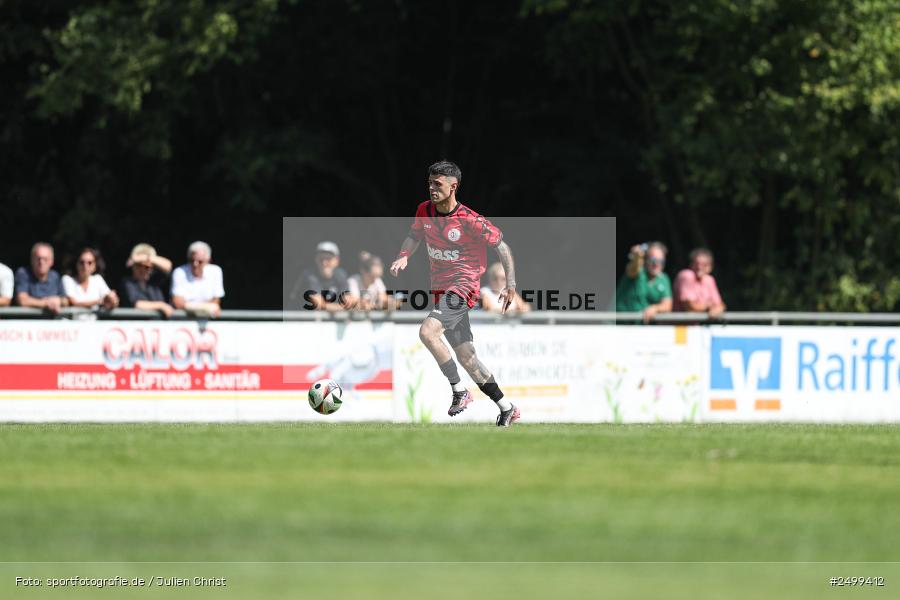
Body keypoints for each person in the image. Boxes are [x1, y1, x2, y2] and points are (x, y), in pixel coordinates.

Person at [390, 160, 521, 427]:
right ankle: (507, 407)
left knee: (427, 332)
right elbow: (414, 236)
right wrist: (403, 256)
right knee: (468, 357)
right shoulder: (424, 211)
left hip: (463, 287)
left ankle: (459, 391)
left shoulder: (470, 220)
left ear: (453, 187)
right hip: (441, 290)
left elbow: (502, 247)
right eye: (429, 183)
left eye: (437, 184)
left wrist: (511, 284)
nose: (431, 188)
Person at [615, 242, 672, 323]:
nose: (656, 264)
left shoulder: (663, 279)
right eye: (653, 260)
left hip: (644, 329)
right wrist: (637, 257)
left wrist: (655, 308)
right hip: (620, 326)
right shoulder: (638, 272)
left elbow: (667, 305)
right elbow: (634, 268)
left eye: (661, 261)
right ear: (645, 260)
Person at [292, 241, 353, 311]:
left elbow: (348, 301)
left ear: (337, 261)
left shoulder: (341, 274)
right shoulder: (309, 275)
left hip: (325, 319)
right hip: (298, 319)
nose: (324, 263)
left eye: (328, 259)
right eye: (321, 259)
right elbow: (319, 305)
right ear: (316, 260)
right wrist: (342, 308)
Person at [171, 241, 225, 317]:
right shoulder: (179, 272)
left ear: (208, 261)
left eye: (200, 261)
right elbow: (178, 303)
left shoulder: (216, 271)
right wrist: (207, 307)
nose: (195, 264)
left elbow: (216, 302)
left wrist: (189, 305)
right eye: (191, 260)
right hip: (183, 320)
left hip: (207, 320)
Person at [120, 243, 174, 318]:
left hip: (159, 326)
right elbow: (137, 304)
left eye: (148, 267)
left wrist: (147, 258)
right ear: (133, 267)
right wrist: (161, 305)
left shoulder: (155, 281)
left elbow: (168, 267)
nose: (143, 269)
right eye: (139, 265)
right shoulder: (127, 282)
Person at [15, 242, 67, 315]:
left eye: (45, 259)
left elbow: (65, 300)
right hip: (29, 322)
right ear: (32, 260)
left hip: (53, 323)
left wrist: (59, 301)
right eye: (38, 258)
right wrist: (47, 303)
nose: (41, 262)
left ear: (51, 261)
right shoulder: (23, 273)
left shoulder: (55, 276)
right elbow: (22, 300)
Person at [673, 247, 726, 318]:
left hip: (696, 326)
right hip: (677, 326)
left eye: (704, 264)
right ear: (691, 264)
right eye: (697, 263)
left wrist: (718, 309)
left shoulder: (709, 280)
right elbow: (689, 307)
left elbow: (720, 305)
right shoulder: (686, 275)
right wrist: (708, 307)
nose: (699, 267)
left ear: (710, 267)